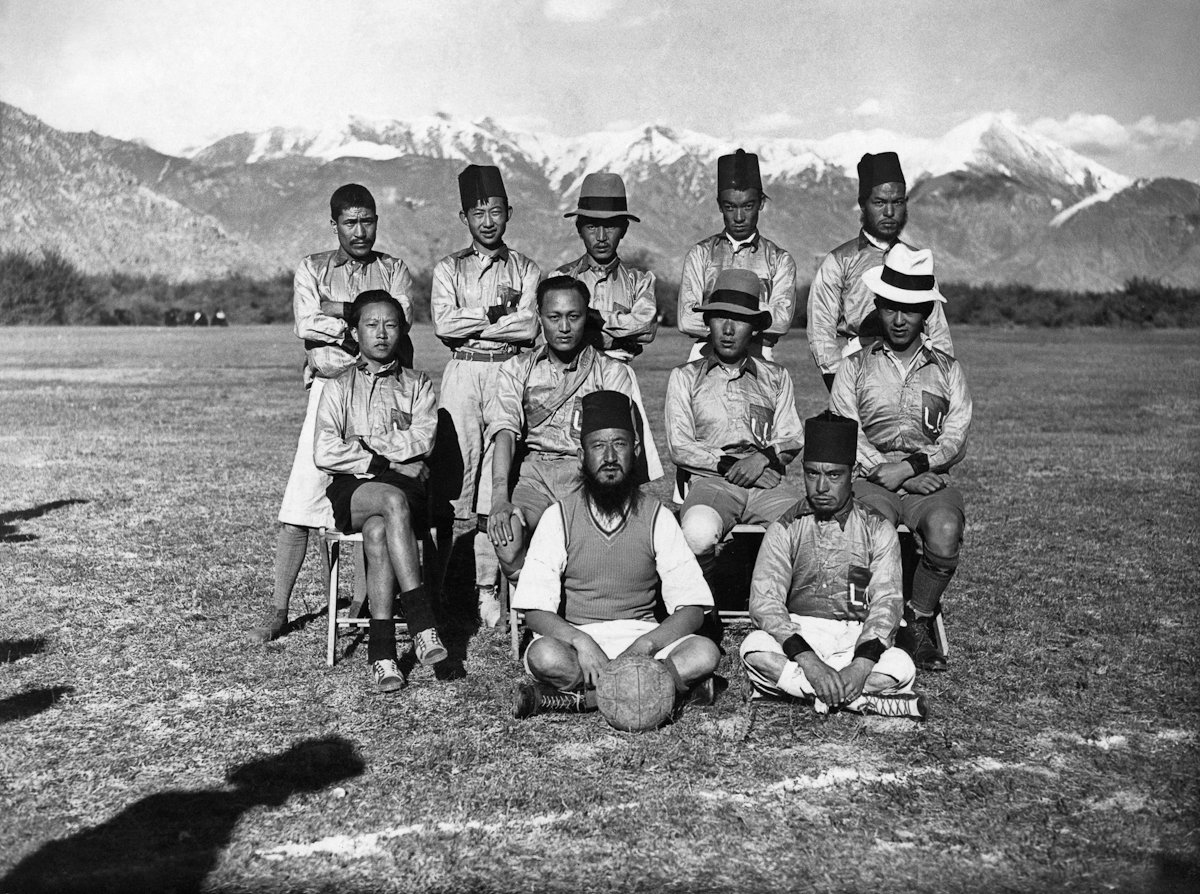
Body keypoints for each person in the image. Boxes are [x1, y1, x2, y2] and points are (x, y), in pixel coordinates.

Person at [250, 183, 416, 643]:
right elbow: (306, 322)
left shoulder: (394, 268)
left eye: (367, 221)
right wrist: (360, 325)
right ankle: (279, 607)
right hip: (328, 391)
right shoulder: (313, 266)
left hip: (380, 390)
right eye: (349, 222)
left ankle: (366, 601)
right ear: (334, 223)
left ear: (377, 221)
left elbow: (396, 324)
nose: (359, 231)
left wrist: (337, 311)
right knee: (302, 500)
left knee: (372, 490)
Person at [510, 390, 721, 718]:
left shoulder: (656, 516)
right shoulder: (559, 516)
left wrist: (645, 646)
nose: (609, 456)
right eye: (598, 446)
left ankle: (581, 699)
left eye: (619, 444)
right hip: (579, 640)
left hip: (641, 638)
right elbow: (535, 612)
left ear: (635, 451)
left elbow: (693, 608)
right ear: (582, 456)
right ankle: (660, 691)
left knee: (705, 652)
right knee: (545, 656)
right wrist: (581, 641)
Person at [830, 245, 972, 670]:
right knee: (871, 530)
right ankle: (868, 623)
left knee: (945, 528)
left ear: (926, 311)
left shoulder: (947, 369)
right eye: (890, 307)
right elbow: (845, 427)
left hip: (926, 479)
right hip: (871, 479)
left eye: (910, 309)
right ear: (878, 305)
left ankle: (917, 620)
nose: (898, 319)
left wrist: (911, 469)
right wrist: (885, 471)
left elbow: (955, 436)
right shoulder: (854, 366)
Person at [739, 412, 925, 718]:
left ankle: (801, 691)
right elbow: (765, 603)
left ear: (851, 475)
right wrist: (810, 663)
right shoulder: (784, 527)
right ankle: (858, 700)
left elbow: (887, 604)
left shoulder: (877, 528)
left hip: (857, 635)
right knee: (754, 648)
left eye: (833, 475)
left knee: (899, 666)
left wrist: (860, 666)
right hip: (801, 633)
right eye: (813, 474)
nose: (821, 486)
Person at [314, 291, 446, 692]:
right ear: (355, 332)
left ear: (403, 330)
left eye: (391, 324)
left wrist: (362, 443)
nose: (382, 333)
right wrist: (386, 460)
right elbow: (325, 450)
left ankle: (383, 654)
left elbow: (423, 441)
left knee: (378, 530)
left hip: (406, 491)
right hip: (353, 490)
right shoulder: (337, 387)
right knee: (390, 500)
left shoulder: (417, 384)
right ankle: (423, 624)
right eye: (371, 325)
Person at [430, 164, 541, 627]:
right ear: (464, 217)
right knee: (451, 483)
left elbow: (530, 324)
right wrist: (495, 315)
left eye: (496, 211)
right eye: (479, 213)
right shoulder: (448, 268)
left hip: (508, 372)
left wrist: (474, 319)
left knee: (498, 486)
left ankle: (486, 591)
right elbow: (443, 324)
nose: (488, 221)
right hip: (462, 374)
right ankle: (438, 589)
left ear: (509, 213)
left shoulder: (527, 268)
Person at [485, 276, 638, 583]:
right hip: (534, 477)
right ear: (539, 317)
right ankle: (541, 605)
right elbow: (504, 431)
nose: (564, 328)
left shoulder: (611, 372)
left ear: (587, 316)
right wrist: (499, 499)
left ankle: (576, 607)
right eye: (554, 318)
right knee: (508, 542)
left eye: (574, 317)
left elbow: (618, 444)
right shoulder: (517, 369)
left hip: (586, 476)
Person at [666, 268, 805, 596]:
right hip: (711, 483)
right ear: (708, 322)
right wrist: (733, 466)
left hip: (766, 486)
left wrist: (762, 459)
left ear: (755, 327)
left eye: (739, 320)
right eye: (719, 318)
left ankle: (779, 605)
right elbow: (681, 447)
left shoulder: (776, 377)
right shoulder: (685, 377)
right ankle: (704, 605)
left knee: (809, 528)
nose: (728, 330)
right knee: (698, 531)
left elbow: (792, 436)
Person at [807, 152, 953, 390]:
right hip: (857, 366)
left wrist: (941, 378)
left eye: (897, 202)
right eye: (879, 202)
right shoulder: (840, 260)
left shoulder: (917, 261)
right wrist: (838, 381)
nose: (889, 212)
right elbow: (820, 329)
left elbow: (937, 329)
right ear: (863, 204)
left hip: (914, 368)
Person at [553, 171, 664, 481]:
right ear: (578, 228)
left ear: (624, 229)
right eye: (591, 226)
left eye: (611, 226)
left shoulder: (640, 281)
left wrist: (592, 320)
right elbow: (560, 336)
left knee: (623, 462)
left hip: (622, 377)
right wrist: (620, 330)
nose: (601, 236)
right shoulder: (560, 281)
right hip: (573, 375)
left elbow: (646, 328)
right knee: (575, 459)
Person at [676, 149, 796, 362]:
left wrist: (714, 314)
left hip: (759, 356)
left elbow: (783, 321)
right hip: (704, 354)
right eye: (730, 207)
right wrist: (756, 319)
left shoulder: (779, 259)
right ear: (720, 206)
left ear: (761, 203)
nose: (739, 217)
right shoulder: (701, 254)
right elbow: (686, 319)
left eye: (748, 206)